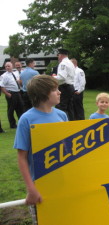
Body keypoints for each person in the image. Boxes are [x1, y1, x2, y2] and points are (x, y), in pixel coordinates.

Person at [13, 75, 68, 224]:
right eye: (55, 89)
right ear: (43, 94)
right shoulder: (26, 119)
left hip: (62, 181)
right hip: (40, 184)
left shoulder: (62, 116)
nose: (59, 92)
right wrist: (31, 189)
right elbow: (22, 157)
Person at [52, 49, 75, 121]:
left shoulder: (63, 63)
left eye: (58, 55)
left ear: (61, 55)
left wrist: (52, 77)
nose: (58, 57)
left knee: (61, 107)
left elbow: (62, 77)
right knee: (69, 107)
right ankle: (71, 123)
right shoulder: (70, 63)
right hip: (70, 86)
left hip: (64, 87)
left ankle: (61, 123)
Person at [0, 62, 24, 128]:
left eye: (9, 66)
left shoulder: (15, 73)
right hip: (11, 93)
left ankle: (21, 122)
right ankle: (12, 124)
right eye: (6, 66)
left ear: (12, 66)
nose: (7, 67)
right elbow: (1, 86)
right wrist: (7, 94)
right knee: (11, 109)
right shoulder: (4, 76)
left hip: (18, 92)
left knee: (21, 107)